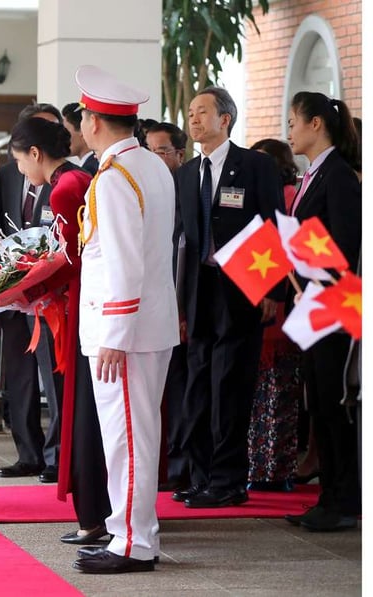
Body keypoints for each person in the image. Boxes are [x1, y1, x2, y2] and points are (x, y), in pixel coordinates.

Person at [69, 65, 179, 574]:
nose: (81, 125)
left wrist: (113, 334)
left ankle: (133, 541)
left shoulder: (115, 178)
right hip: (146, 325)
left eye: (83, 117)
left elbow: (122, 263)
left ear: (94, 122)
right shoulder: (151, 165)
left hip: (126, 333)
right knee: (135, 435)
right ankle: (129, 533)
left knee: (127, 438)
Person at [174, 87, 283, 509]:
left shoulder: (255, 165)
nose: (194, 118)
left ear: (225, 119)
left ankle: (229, 481)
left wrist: (271, 289)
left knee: (230, 387)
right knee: (198, 386)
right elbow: (180, 239)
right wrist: (178, 301)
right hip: (199, 287)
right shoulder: (187, 173)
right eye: (190, 112)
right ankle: (201, 477)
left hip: (241, 287)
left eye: (202, 111)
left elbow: (273, 225)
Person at [6, 116, 111, 547]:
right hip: (79, 304)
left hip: (77, 307)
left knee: (78, 410)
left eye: (19, 160)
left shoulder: (65, 188)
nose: (19, 169)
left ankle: (93, 514)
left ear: (35, 153)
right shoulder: (77, 179)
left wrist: (21, 289)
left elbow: (70, 258)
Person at [283, 92, 361, 531]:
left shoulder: (339, 176)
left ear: (316, 124)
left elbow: (346, 246)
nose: (289, 131)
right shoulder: (314, 174)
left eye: (293, 122)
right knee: (319, 401)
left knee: (334, 403)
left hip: (335, 305)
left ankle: (344, 500)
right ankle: (328, 497)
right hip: (314, 302)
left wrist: (314, 281)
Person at [0, 102, 65, 484]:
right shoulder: (7, 174)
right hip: (12, 293)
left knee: (53, 377)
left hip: (50, 295)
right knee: (19, 377)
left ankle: (56, 456)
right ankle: (28, 454)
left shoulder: (66, 179)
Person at [246, 138, 302, 492]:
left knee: (280, 393)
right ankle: (257, 467)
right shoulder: (260, 198)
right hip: (255, 301)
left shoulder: (289, 199)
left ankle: (276, 470)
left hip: (281, 305)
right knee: (256, 394)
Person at [144, 122, 189, 490]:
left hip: (179, 305)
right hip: (150, 308)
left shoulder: (186, 189)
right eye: (150, 150)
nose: (154, 158)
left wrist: (181, 308)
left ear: (179, 155)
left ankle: (180, 465)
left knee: (179, 391)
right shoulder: (144, 189)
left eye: (162, 151)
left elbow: (184, 253)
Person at [61, 102, 99, 175]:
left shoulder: (90, 170)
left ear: (82, 129)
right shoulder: (92, 164)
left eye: (65, 131)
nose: (62, 137)